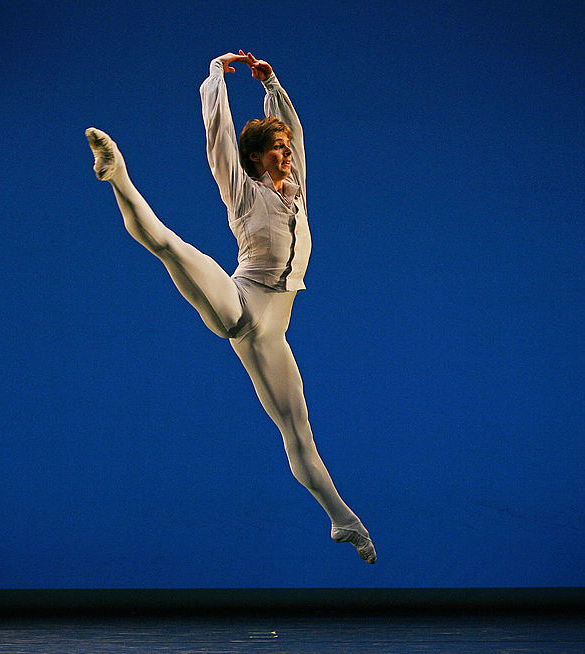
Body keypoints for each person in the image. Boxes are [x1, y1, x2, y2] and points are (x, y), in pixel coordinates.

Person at [85, 51, 375, 563]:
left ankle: (342, 520)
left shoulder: (298, 189)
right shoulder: (244, 192)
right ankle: (119, 176)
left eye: (286, 149)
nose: (286, 155)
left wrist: (272, 85)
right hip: (239, 302)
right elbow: (219, 140)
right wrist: (215, 78)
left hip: (271, 337)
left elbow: (297, 135)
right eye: (277, 151)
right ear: (258, 159)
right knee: (172, 248)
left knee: (298, 432)